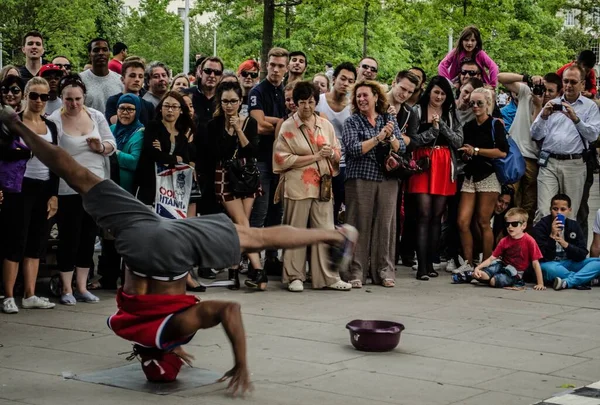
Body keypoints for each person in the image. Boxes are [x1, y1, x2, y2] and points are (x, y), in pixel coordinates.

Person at [0, 100, 358, 393]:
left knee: (258, 238)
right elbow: (155, 324)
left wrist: (241, 365)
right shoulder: (128, 327)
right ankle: (16, 124)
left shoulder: (172, 329)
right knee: (77, 174)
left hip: (169, 246)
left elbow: (228, 310)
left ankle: (335, 234)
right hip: (140, 231)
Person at [274, 81, 351, 292]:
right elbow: (281, 159)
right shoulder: (287, 126)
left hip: (323, 185)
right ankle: (294, 275)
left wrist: (331, 154)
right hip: (297, 185)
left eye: (311, 101)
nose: (307, 106)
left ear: (316, 102)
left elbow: (337, 152)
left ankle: (328, 276)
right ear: (295, 103)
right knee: (296, 230)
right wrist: (315, 156)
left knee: (324, 230)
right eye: (302, 102)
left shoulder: (325, 125)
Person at [48, 74, 116, 305]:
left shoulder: (95, 116)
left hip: (95, 185)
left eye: (78, 99)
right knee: (70, 237)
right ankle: (66, 288)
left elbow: (111, 143)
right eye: (69, 99)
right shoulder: (54, 120)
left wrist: (101, 147)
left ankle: (82, 285)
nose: (74, 104)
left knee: (88, 237)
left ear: (84, 97)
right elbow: (51, 156)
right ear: (62, 98)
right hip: (68, 187)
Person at [198, 81, 264, 288]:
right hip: (225, 175)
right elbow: (219, 153)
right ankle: (258, 268)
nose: (229, 106)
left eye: (233, 101)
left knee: (239, 225)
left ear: (240, 101)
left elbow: (252, 151)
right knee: (242, 222)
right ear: (220, 101)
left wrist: (238, 129)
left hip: (247, 176)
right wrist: (228, 131)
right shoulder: (213, 125)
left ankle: (234, 271)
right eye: (225, 101)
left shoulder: (249, 123)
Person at [1, 77, 58, 313]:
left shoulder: (51, 126)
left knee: (37, 243)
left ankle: (30, 294)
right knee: (16, 241)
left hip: (43, 187)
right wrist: (25, 154)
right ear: (25, 95)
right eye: (34, 95)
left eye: (43, 96)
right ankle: (8, 295)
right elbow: (2, 154)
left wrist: (53, 195)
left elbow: (55, 161)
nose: (38, 101)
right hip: (18, 186)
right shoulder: (14, 123)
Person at [342, 80, 406, 288]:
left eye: (365, 95)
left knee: (385, 225)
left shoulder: (388, 118)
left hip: (387, 179)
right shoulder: (352, 121)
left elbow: (401, 147)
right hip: (360, 177)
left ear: (376, 97)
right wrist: (379, 138)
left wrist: (391, 139)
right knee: (359, 224)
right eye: (358, 96)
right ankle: (356, 271)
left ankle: (384, 271)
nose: (361, 99)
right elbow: (353, 148)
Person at [407, 76, 463, 280]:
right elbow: (412, 141)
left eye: (443, 93)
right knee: (423, 214)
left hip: (444, 164)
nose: (439, 96)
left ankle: (431, 262)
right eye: (436, 92)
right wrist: (433, 131)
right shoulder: (417, 111)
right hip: (423, 163)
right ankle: (421, 265)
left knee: (437, 217)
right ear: (428, 92)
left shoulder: (451, 113)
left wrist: (443, 128)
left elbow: (458, 141)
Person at [531, 65, 600, 223]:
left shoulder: (590, 107)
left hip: (574, 164)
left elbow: (593, 136)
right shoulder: (552, 104)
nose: (568, 85)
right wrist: (543, 117)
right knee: (543, 212)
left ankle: (562, 247)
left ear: (582, 84)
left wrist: (576, 119)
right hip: (549, 162)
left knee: (568, 215)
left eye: (573, 82)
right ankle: (544, 247)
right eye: (566, 81)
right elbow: (535, 134)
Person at [457, 88, 508, 274]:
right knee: (462, 221)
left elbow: (502, 151)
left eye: (479, 103)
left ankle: (487, 264)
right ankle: (468, 263)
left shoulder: (496, 124)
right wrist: (466, 154)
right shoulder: (468, 126)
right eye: (472, 103)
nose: (476, 106)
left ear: (488, 104)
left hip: (488, 176)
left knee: (483, 221)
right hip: (470, 175)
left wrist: (476, 151)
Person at [248, 47, 289, 275]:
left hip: (282, 160)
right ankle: (252, 258)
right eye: (272, 64)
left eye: (280, 65)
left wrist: (274, 123)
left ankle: (272, 258)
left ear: (286, 67)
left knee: (277, 210)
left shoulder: (285, 91)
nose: (276, 69)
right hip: (262, 159)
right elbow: (258, 124)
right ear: (266, 64)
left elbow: (272, 123)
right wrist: (284, 123)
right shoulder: (257, 91)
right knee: (260, 211)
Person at [134, 91, 194, 206]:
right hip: (149, 184)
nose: (170, 110)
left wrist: (164, 156)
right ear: (161, 108)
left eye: (174, 107)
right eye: (166, 106)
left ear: (181, 110)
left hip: (170, 190)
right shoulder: (153, 126)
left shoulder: (181, 135)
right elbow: (152, 153)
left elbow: (185, 160)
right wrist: (175, 158)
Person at [315, 62, 356, 225]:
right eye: (342, 78)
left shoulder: (353, 107)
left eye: (350, 81)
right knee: (319, 205)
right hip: (320, 158)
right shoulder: (319, 101)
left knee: (337, 205)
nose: (345, 83)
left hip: (344, 162)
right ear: (334, 79)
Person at [533, 194, 600, 290]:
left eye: (563, 209)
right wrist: (552, 237)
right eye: (555, 209)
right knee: (548, 268)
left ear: (569, 210)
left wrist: (565, 244)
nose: (558, 213)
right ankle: (583, 279)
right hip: (551, 263)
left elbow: (582, 254)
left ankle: (567, 282)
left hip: (570, 263)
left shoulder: (574, 225)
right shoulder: (541, 226)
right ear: (550, 209)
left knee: (597, 263)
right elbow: (542, 257)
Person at [471, 208, 545, 290]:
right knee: (483, 273)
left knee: (493, 281)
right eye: (507, 224)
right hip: (502, 266)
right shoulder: (504, 240)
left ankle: (489, 278)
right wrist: (478, 268)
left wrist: (540, 283)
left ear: (523, 226)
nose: (510, 227)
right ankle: (477, 275)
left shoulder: (530, 240)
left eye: (514, 224)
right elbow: (491, 258)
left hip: (516, 272)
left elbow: (535, 263)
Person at [111, 94, 145, 194]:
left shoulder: (141, 133)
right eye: (122, 108)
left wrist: (113, 152)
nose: (125, 113)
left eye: (130, 109)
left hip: (127, 190)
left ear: (137, 111)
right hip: (109, 186)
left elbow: (134, 162)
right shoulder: (112, 129)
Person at [105, 60, 156, 125]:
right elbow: (118, 125)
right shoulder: (113, 101)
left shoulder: (148, 106)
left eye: (140, 76)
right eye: (132, 76)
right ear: (123, 79)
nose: (137, 80)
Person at [80, 38, 124, 114]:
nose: (101, 53)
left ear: (109, 53)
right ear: (89, 55)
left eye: (104, 50)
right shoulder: (80, 80)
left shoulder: (120, 80)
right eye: (96, 50)